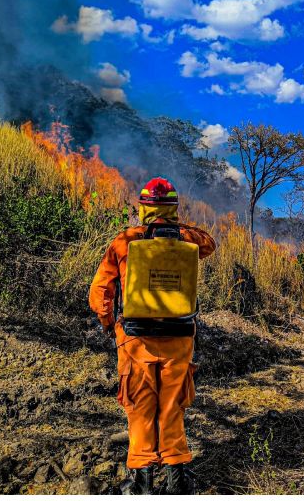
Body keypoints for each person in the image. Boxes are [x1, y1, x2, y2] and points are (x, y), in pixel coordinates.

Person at [89, 177, 216, 494]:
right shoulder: (189, 240)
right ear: (174, 208)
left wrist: (109, 324)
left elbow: (100, 293)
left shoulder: (125, 241)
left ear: (143, 207)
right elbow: (209, 243)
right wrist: (174, 229)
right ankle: (177, 480)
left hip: (135, 341)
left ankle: (140, 483)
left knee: (140, 407)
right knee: (173, 405)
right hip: (179, 338)